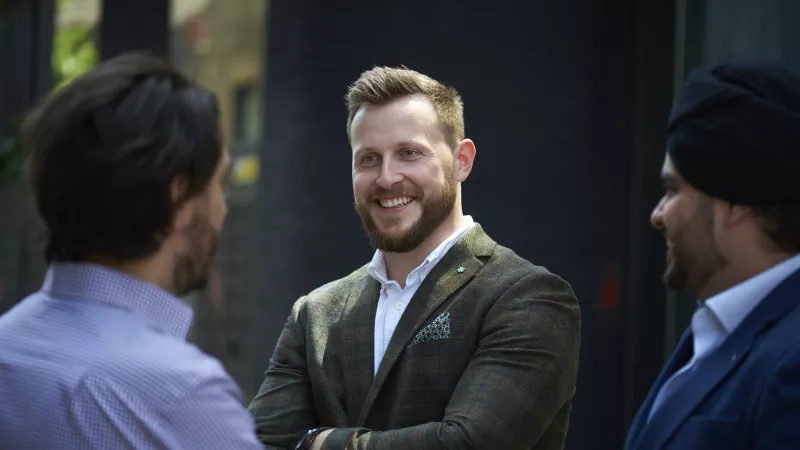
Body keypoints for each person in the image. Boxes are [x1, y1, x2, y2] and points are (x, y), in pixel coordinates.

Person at [247, 66, 581, 450]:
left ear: (462, 160)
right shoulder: (315, 315)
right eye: (368, 158)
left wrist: (319, 443)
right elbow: (257, 443)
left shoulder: (528, 298)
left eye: (409, 153)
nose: (387, 178)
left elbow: (468, 444)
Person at [0, 53, 263, 449]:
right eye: (218, 183)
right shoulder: (183, 394)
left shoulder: (8, 345)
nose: (223, 207)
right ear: (178, 198)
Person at [625, 63, 800, 450]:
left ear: (737, 202)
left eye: (672, 190)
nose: (657, 215)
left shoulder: (791, 362)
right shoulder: (722, 328)